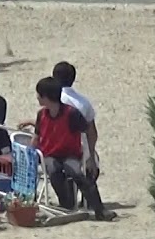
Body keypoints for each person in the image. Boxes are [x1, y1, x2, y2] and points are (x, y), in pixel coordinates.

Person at [19, 77, 116, 222]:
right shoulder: (42, 115)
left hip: (70, 154)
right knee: (53, 171)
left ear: (47, 97)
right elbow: (37, 136)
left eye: (39, 94)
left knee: (77, 173)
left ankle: (99, 210)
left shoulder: (71, 114)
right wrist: (30, 155)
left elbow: (88, 130)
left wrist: (90, 155)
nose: (37, 97)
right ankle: (67, 204)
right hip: (50, 154)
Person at [52, 61, 100, 184]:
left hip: (61, 150)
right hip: (83, 150)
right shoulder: (84, 102)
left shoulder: (54, 100)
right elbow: (92, 132)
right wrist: (91, 156)